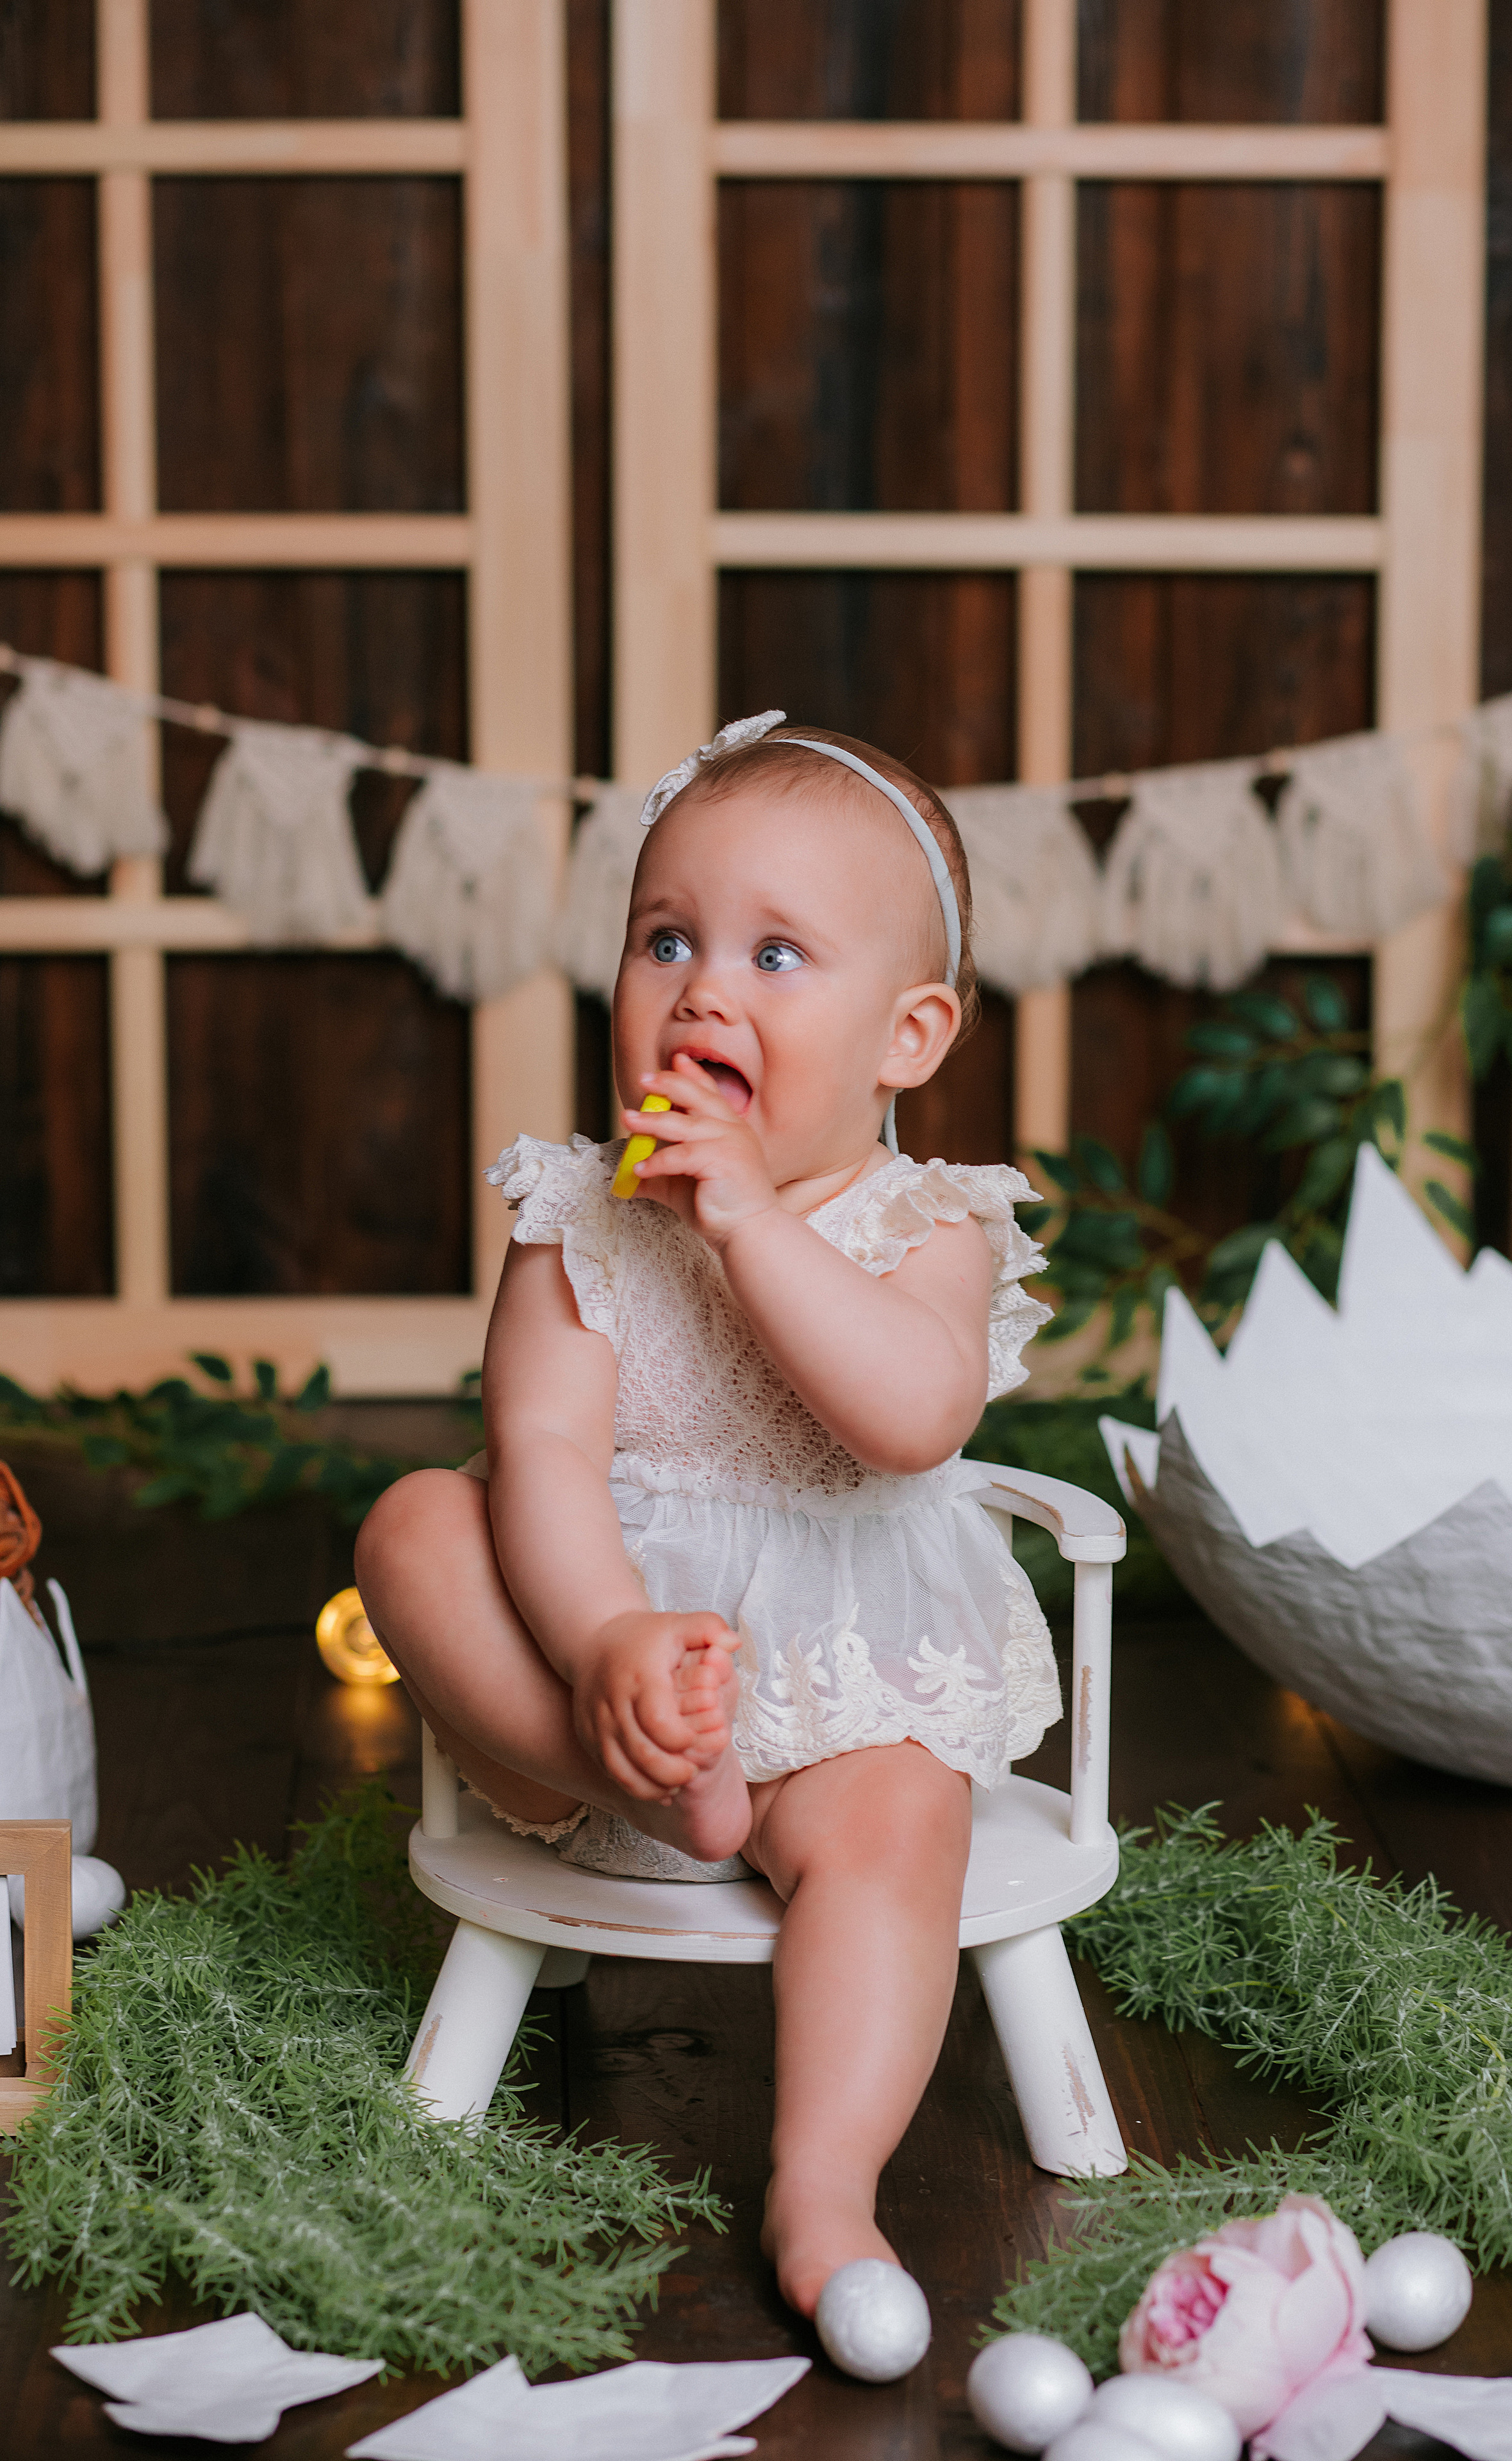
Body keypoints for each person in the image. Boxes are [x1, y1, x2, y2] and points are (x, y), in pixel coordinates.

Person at [356, 713, 1057, 2350]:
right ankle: (615, 1770)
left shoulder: (926, 1227)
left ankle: (822, 2189)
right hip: (592, 1681)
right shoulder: (576, 1215)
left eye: (774, 953)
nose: (701, 990)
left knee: (896, 1844)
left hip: (838, 1695)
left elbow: (909, 1416)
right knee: (411, 1520)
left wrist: (746, 1218)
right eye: (662, 938)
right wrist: (603, 1644)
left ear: (908, 1036)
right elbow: (536, 1448)